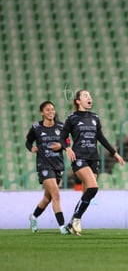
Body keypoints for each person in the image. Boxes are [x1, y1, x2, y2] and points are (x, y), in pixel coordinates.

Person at [60, 90, 124, 235]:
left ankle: (71, 224)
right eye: (85, 96)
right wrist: (68, 148)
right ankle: (76, 218)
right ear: (78, 101)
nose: (89, 98)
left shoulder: (95, 117)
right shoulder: (72, 118)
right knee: (93, 187)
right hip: (79, 158)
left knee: (88, 192)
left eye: (90, 96)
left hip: (93, 158)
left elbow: (100, 137)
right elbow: (62, 137)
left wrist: (115, 153)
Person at [26, 101, 69, 235]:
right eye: (47, 110)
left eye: (52, 110)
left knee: (47, 198)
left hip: (57, 165)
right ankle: (62, 226)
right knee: (56, 193)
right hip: (43, 165)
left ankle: (33, 217)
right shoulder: (36, 127)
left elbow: (67, 142)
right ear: (42, 113)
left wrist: (61, 146)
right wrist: (31, 148)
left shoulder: (61, 127)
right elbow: (28, 140)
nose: (51, 112)